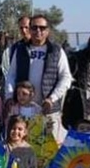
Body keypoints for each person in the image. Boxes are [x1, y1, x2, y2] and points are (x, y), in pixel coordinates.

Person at [5, 14, 72, 144]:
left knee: (49, 150)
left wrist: (52, 99)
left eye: (42, 28)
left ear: (48, 30)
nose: (38, 31)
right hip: (23, 110)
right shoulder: (20, 50)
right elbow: (11, 75)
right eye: (34, 28)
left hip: (48, 112)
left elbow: (65, 77)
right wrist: (9, 96)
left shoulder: (56, 51)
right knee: (22, 148)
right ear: (29, 29)